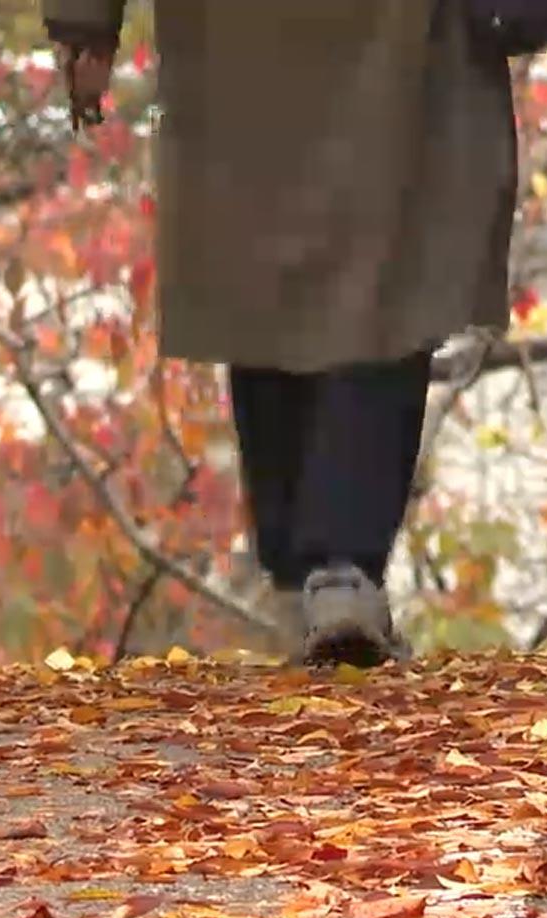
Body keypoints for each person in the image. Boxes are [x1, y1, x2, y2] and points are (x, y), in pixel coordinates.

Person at [46, 0, 516, 665]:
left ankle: (307, 574)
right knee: (384, 273)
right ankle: (338, 569)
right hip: (398, 38)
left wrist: (83, 25)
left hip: (237, 41)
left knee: (263, 267)